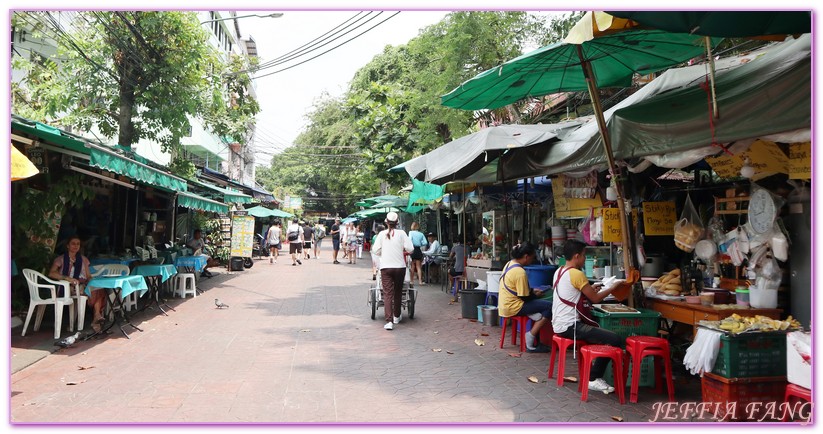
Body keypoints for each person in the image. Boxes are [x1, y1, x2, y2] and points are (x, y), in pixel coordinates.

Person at [552, 239, 626, 394]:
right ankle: (593, 378)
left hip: (558, 324)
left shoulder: (559, 271)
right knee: (615, 339)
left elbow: (573, 292)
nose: (585, 259)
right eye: (584, 255)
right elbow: (596, 299)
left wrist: (591, 288)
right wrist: (613, 287)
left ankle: (593, 374)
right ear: (577, 256)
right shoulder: (577, 274)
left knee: (603, 335)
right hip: (570, 326)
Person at [497, 242, 552, 353]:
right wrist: (535, 295)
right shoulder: (520, 272)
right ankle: (530, 339)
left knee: (539, 306)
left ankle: (535, 318)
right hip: (514, 306)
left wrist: (532, 291)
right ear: (526, 256)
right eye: (532, 258)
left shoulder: (509, 264)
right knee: (550, 307)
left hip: (504, 304)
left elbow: (518, 289)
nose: (532, 260)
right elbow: (525, 297)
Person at [372, 212, 413, 330]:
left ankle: (389, 321)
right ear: (397, 222)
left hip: (386, 268)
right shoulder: (402, 234)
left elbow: (375, 250)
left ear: (386, 222)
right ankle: (396, 316)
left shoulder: (381, 234)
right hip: (400, 267)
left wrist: (382, 253)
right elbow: (410, 249)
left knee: (388, 294)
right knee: (398, 291)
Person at [48, 235, 96, 330]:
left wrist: (93, 282)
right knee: (89, 292)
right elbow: (51, 273)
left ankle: (97, 316)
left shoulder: (83, 259)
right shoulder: (61, 259)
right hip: (67, 286)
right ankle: (94, 318)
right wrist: (67, 278)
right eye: (73, 243)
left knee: (98, 290)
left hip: (81, 285)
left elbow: (88, 276)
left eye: (78, 244)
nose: (76, 246)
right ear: (67, 246)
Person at [447, 236, 467, 300]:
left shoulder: (455, 247)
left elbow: (450, 257)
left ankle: (453, 286)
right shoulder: (468, 248)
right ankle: (456, 287)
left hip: (458, 270)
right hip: (467, 270)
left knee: (449, 271)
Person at [408, 222, 428, 286]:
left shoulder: (410, 232)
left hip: (412, 250)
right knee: (419, 267)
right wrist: (420, 244)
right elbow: (425, 242)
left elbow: (410, 240)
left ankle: (411, 281)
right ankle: (420, 281)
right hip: (418, 250)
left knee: (412, 267)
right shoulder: (421, 234)